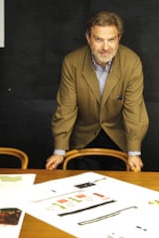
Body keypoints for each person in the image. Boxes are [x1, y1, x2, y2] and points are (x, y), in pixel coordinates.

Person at [45, 11, 149, 171]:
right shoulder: (72, 62)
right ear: (88, 38)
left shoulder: (132, 62)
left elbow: (134, 109)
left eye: (111, 40)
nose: (105, 47)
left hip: (119, 138)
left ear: (119, 38)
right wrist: (60, 150)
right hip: (83, 139)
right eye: (99, 39)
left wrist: (134, 151)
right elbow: (66, 108)